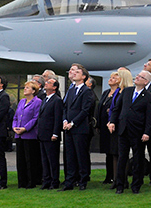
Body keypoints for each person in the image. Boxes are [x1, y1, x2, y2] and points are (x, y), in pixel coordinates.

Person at [109, 70, 151, 194]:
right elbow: (117, 108)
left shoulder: (149, 97)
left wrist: (147, 132)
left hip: (138, 132)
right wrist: (113, 121)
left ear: (146, 81)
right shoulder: (126, 91)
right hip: (123, 130)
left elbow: (150, 117)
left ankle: (136, 185)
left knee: (138, 159)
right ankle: (120, 184)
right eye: (138, 75)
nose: (137, 77)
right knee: (122, 158)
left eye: (140, 77)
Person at [61, 63, 94, 191]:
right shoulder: (71, 90)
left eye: (77, 73)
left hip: (79, 128)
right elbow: (65, 107)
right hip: (68, 128)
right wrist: (64, 120)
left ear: (84, 76)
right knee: (70, 156)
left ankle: (83, 180)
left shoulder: (86, 91)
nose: (74, 74)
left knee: (81, 155)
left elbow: (85, 110)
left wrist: (73, 123)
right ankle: (69, 182)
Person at [13, 80, 42, 188]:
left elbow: (35, 118)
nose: (25, 89)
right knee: (20, 159)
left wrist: (25, 128)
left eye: (28, 88)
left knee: (30, 159)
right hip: (19, 134)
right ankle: (22, 182)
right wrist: (14, 127)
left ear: (34, 91)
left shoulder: (37, 102)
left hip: (30, 135)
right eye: (25, 87)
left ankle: (31, 181)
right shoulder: (21, 101)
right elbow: (16, 116)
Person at [97, 71, 122, 185]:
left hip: (113, 126)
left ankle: (115, 176)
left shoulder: (119, 93)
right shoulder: (106, 92)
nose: (110, 79)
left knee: (113, 151)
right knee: (107, 151)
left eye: (114, 78)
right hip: (104, 126)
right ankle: (108, 176)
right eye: (110, 77)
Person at [38, 77, 63, 190]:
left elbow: (58, 118)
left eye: (49, 83)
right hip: (43, 134)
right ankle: (46, 180)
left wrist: (55, 133)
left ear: (54, 87)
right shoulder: (45, 99)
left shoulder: (57, 100)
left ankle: (54, 181)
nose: (46, 84)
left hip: (51, 134)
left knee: (52, 159)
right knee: (44, 159)